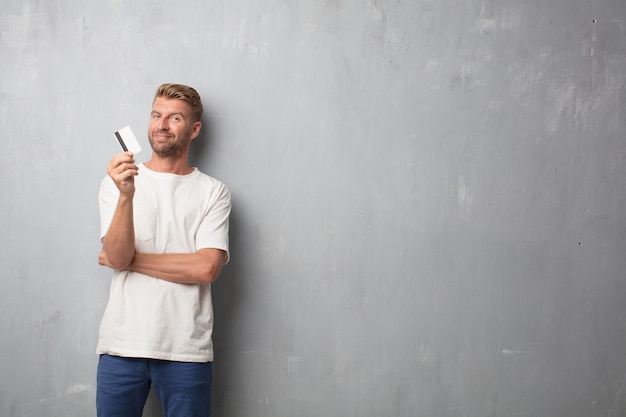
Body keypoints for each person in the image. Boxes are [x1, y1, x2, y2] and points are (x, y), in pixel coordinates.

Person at [96, 83, 231, 417]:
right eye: (157, 115)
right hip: (122, 343)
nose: (162, 125)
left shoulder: (213, 192)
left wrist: (130, 261)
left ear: (194, 128)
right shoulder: (119, 181)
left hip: (186, 348)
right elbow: (116, 255)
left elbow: (206, 269)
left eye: (175, 118)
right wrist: (126, 194)